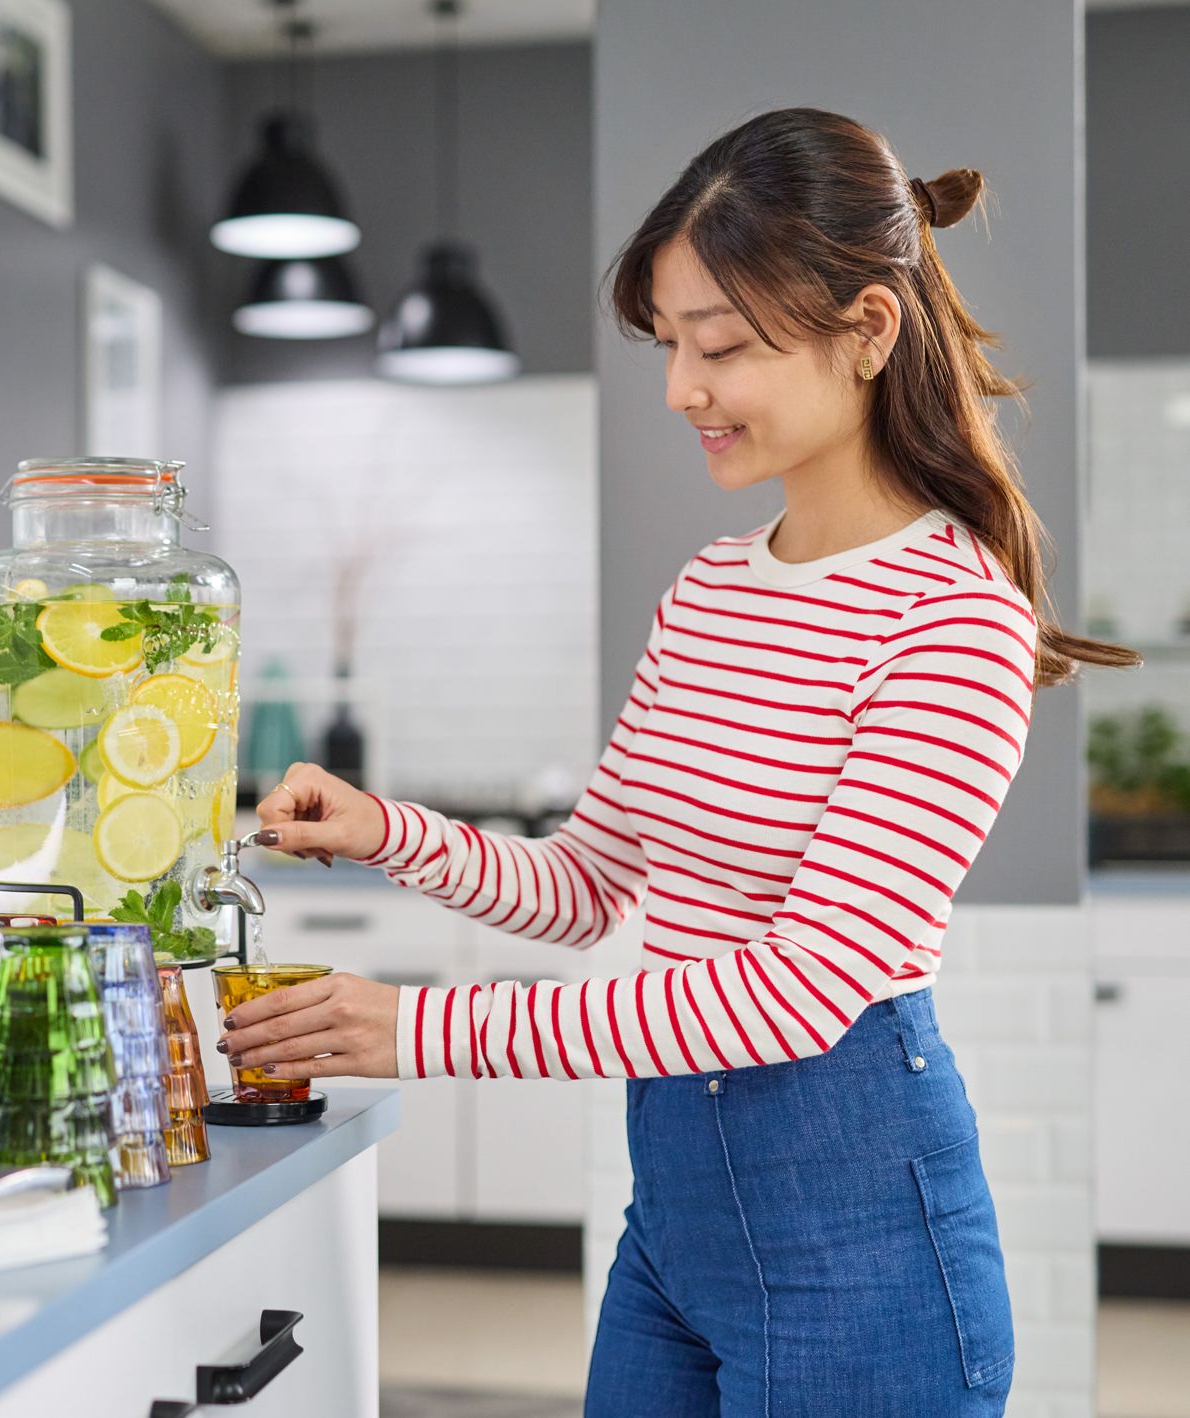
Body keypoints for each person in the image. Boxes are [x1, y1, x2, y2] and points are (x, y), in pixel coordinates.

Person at [222, 107, 1138, 1417]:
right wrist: (382, 828)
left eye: (720, 346)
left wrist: (412, 1027)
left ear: (867, 330)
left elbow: (797, 990)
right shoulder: (708, 593)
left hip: (858, 1243)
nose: (679, 390)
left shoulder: (951, 620)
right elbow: (588, 883)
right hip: (680, 1224)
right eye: (668, 345)